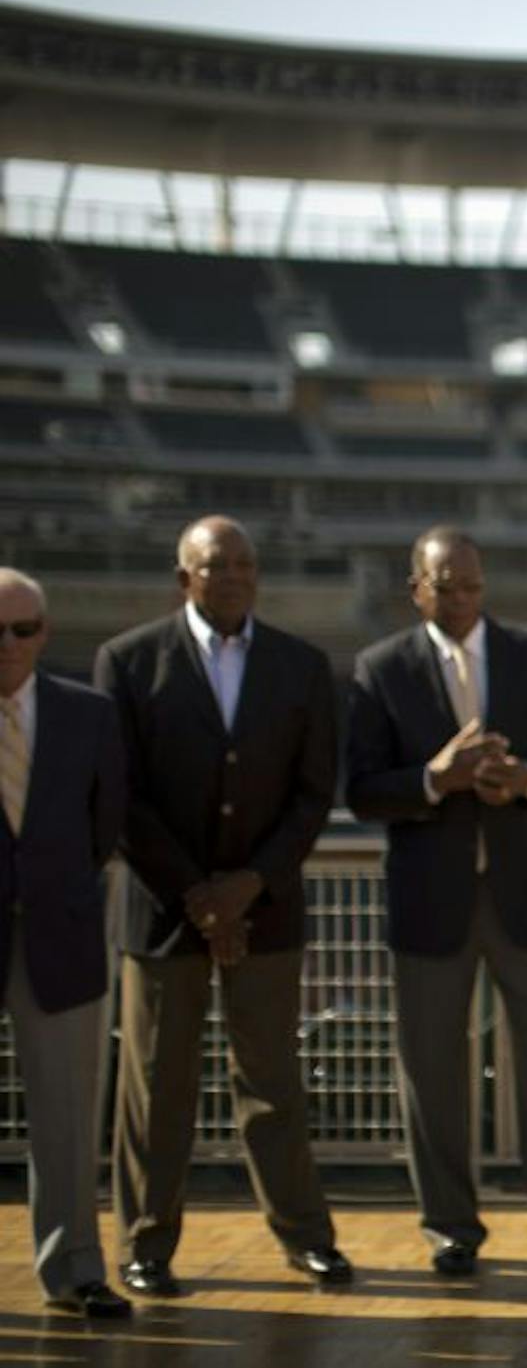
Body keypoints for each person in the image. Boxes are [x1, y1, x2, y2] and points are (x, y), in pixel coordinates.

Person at [93, 517, 348, 1296]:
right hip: (164, 913)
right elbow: (122, 795)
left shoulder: (303, 666)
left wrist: (247, 886)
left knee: (272, 1081)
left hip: (265, 911)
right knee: (155, 1087)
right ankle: (146, 1245)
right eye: (215, 564)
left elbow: (312, 797)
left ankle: (305, 1237)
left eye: (244, 562)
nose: (233, 575)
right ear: (185, 578)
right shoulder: (129, 661)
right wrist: (199, 895)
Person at [344, 527, 527, 1279]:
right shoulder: (380, 668)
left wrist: (521, 778)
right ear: (415, 588)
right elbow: (361, 789)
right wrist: (434, 778)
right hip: (431, 901)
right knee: (430, 1069)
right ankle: (450, 1228)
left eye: (471, 585)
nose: (460, 598)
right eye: (444, 585)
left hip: (524, 893)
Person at [0, 569, 130, 1319]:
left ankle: (77, 1267)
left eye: (23, 629)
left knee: (67, 1115)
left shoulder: (88, 714)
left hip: (60, 934)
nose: (9, 645)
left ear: (45, 632)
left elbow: (104, 822)